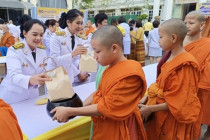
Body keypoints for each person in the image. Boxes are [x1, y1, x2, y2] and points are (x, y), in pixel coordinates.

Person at [51, 25, 147, 140]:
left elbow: (108, 107)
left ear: (114, 48)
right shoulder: (109, 67)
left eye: (98, 51)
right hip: (104, 125)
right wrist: (75, 110)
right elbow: (99, 93)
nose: (94, 57)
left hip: (121, 127)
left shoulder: (130, 73)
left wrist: (71, 111)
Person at [140, 18, 201, 140]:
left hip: (172, 118)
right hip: (160, 112)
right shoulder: (170, 56)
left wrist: (150, 108)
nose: (158, 41)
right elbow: (160, 83)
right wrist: (146, 97)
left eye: (161, 37)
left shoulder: (185, 65)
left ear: (173, 38)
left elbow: (180, 101)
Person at [0, 19, 51, 104]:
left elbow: (45, 70)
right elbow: (14, 76)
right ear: (25, 33)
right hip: (13, 97)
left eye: (41, 35)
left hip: (32, 96)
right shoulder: (14, 50)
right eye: (34, 34)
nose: (38, 38)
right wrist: (31, 80)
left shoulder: (42, 50)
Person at [183, 11, 210, 139]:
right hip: (180, 89)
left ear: (202, 25)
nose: (187, 25)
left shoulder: (207, 45)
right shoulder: (178, 40)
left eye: (191, 23)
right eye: (185, 23)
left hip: (199, 91)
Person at [49, 9, 88, 86]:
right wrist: (73, 54)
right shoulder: (56, 37)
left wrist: (84, 72)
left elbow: (76, 60)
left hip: (70, 76)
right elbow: (55, 60)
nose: (80, 26)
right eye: (77, 23)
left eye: (81, 23)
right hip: (56, 75)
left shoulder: (78, 38)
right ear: (68, 22)